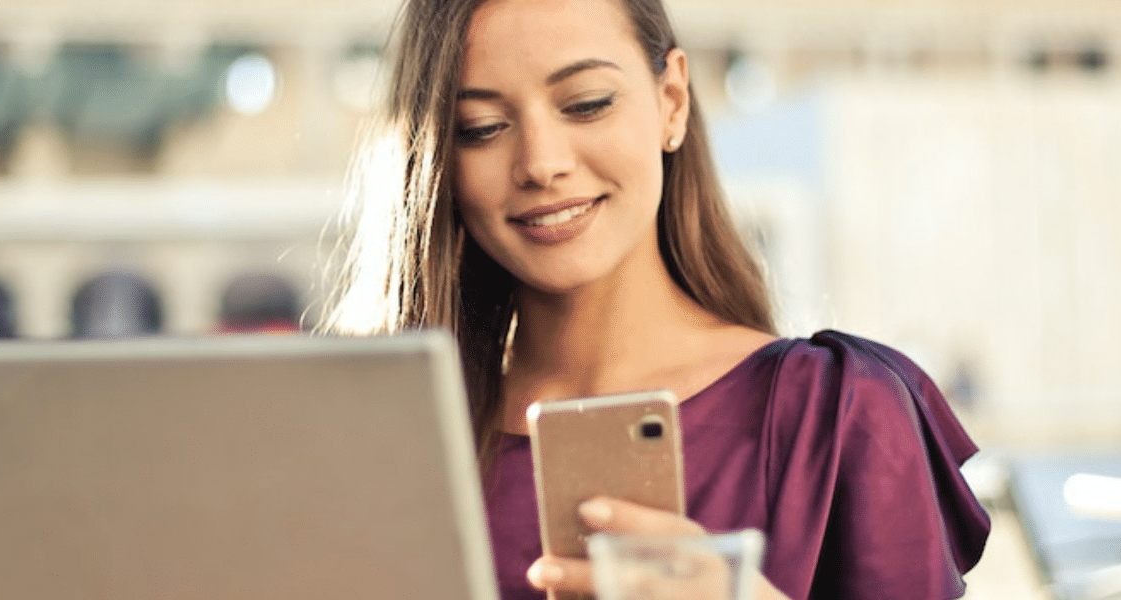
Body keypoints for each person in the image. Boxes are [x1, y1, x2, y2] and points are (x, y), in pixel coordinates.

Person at [325, 0, 991, 597]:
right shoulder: (390, 446)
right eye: (480, 127)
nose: (541, 163)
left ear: (671, 99)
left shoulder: (839, 409)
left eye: (586, 103)